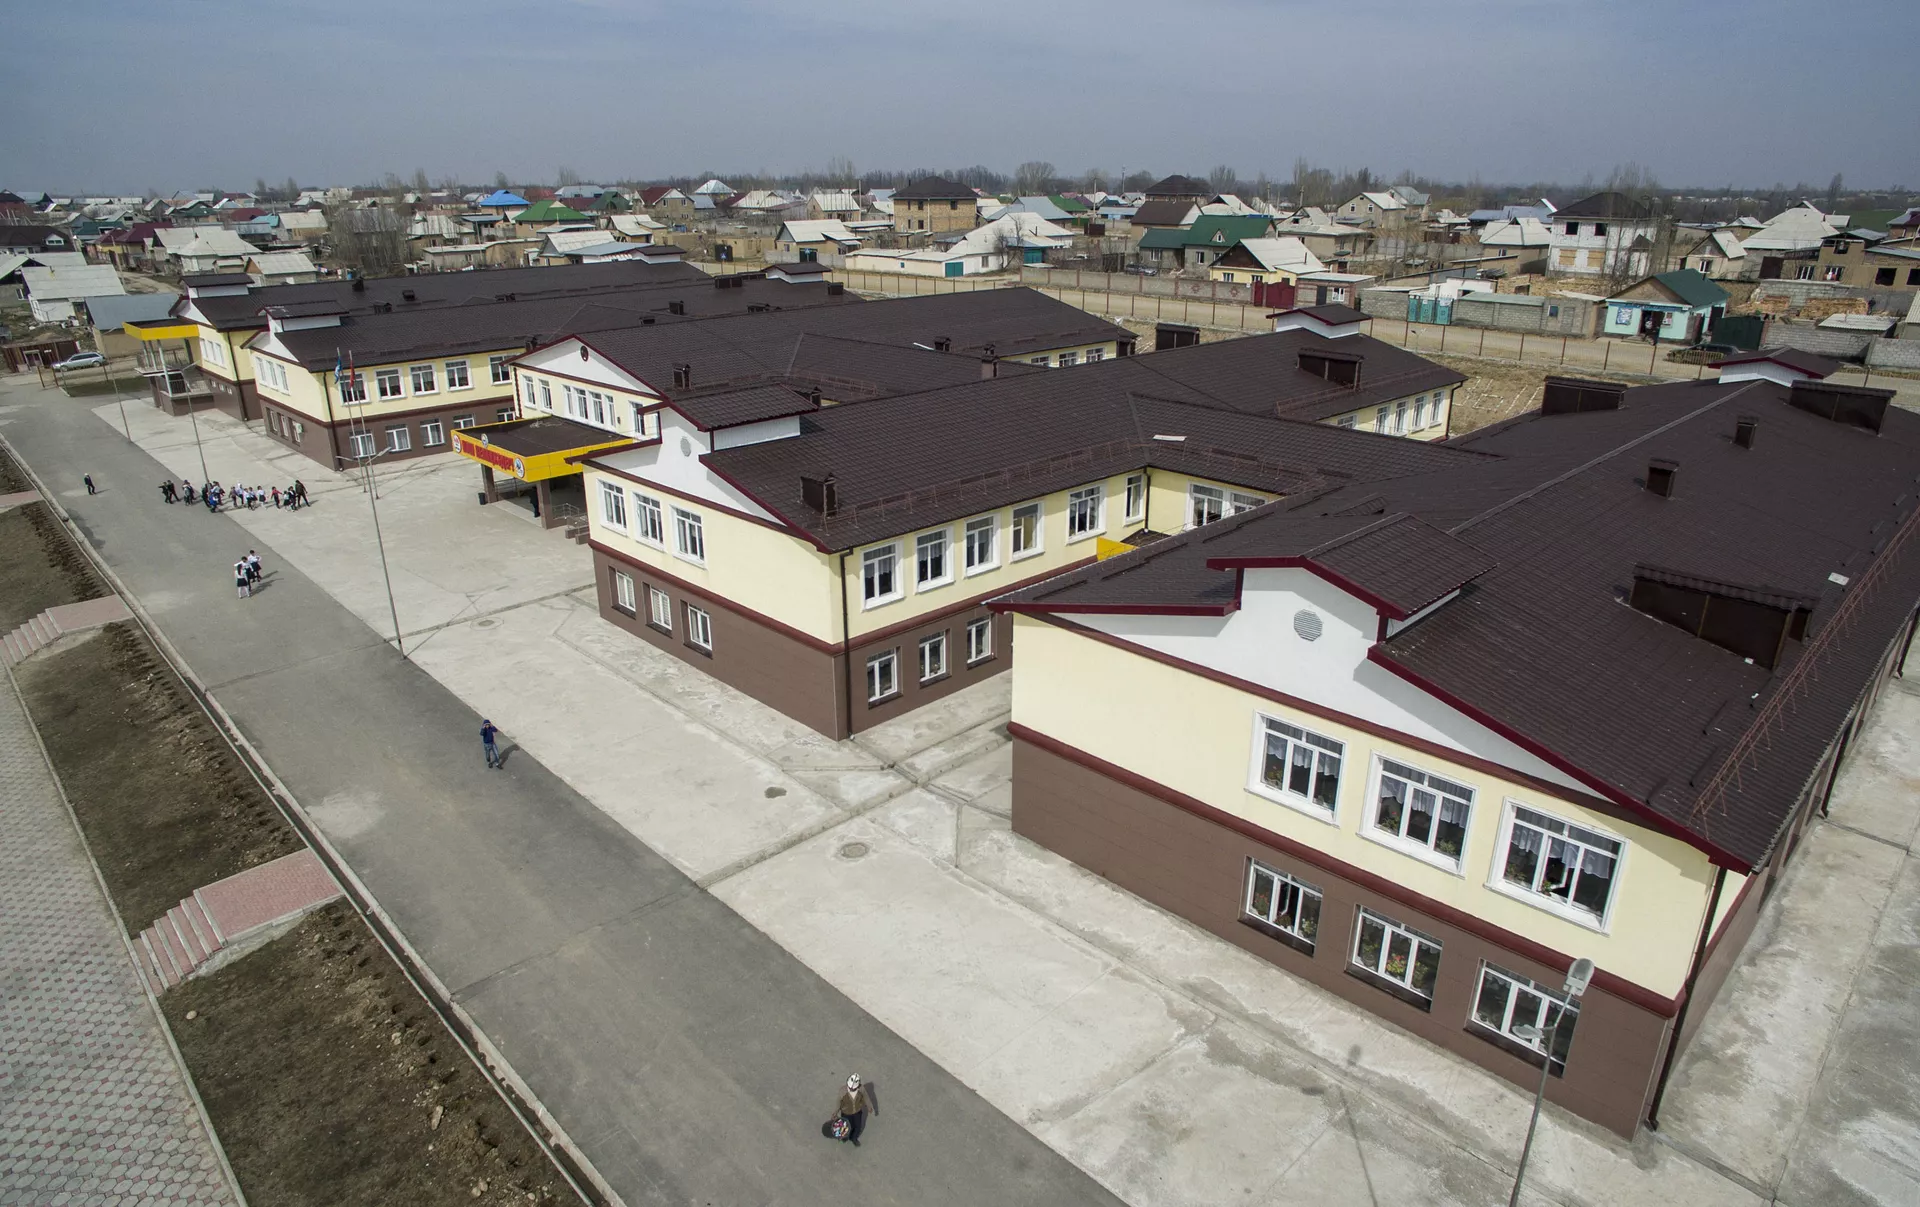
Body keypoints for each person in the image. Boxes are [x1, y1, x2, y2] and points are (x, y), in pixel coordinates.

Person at [834, 1074, 878, 1147]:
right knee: (845, 1126)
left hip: (857, 1111)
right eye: (850, 1087)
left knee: (858, 1127)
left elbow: (866, 1097)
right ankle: (845, 1137)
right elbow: (838, 1102)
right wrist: (835, 1112)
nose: (851, 1089)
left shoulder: (861, 1089)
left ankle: (854, 1138)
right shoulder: (842, 1091)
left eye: (853, 1088)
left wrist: (869, 1106)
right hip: (846, 1113)